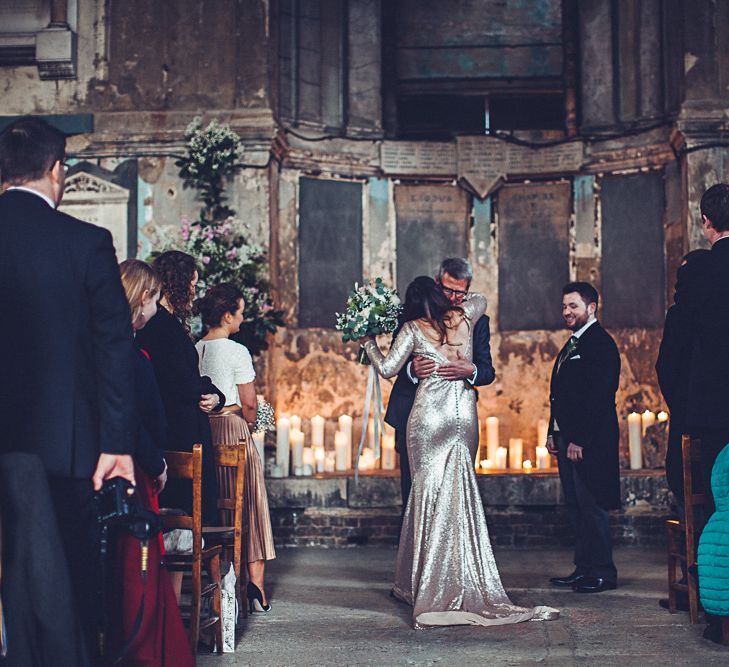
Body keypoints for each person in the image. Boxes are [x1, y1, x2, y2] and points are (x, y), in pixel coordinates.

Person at [0, 116, 136, 661]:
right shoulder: (85, 242)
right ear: (57, 172)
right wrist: (118, 445)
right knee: (67, 586)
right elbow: (114, 349)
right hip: (66, 450)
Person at [363, 276, 558, 628]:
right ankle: (459, 575)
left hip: (427, 419)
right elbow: (480, 299)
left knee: (425, 495)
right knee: (458, 494)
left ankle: (422, 583)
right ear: (441, 295)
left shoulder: (410, 327)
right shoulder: (462, 318)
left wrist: (368, 344)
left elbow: (388, 368)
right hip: (462, 417)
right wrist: (459, 301)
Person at [110, 259, 194, 665]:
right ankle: (143, 650)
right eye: (156, 299)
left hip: (128, 465)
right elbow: (126, 417)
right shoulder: (125, 354)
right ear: (143, 298)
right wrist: (156, 464)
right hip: (134, 472)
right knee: (136, 569)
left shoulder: (113, 346)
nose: (158, 308)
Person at [384, 258, 495, 514]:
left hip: (456, 420)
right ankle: (417, 553)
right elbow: (393, 362)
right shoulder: (410, 314)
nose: (455, 297)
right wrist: (412, 370)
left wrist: (472, 370)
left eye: (461, 292)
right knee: (414, 494)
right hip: (416, 417)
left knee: (455, 498)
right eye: (448, 290)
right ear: (436, 283)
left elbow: (488, 371)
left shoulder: (477, 319)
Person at [195, 283, 276, 613]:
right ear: (227, 315)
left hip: (201, 431)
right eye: (240, 312)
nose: (243, 319)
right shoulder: (237, 351)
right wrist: (254, 422)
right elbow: (249, 404)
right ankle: (255, 588)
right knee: (251, 505)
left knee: (215, 503)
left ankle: (214, 581)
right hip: (232, 427)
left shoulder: (194, 348)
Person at [136, 250, 225, 524]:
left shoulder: (167, 323)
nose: (195, 292)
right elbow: (176, 380)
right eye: (193, 284)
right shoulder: (161, 326)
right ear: (177, 283)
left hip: (180, 424)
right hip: (177, 430)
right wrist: (211, 391)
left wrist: (213, 395)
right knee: (185, 511)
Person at [546, 282, 621, 594]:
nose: (567, 312)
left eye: (573, 306)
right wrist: (553, 432)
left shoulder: (600, 344)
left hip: (589, 441)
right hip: (567, 439)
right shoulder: (573, 344)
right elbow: (560, 394)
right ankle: (584, 569)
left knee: (593, 506)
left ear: (591, 308)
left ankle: (603, 572)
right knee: (576, 507)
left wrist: (579, 439)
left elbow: (600, 396)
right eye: (564, 306)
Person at [686, 183, 729, 519]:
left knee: (720, 495)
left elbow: (684, 340)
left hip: (714, 404)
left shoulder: (697, 272)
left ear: (706, 221)